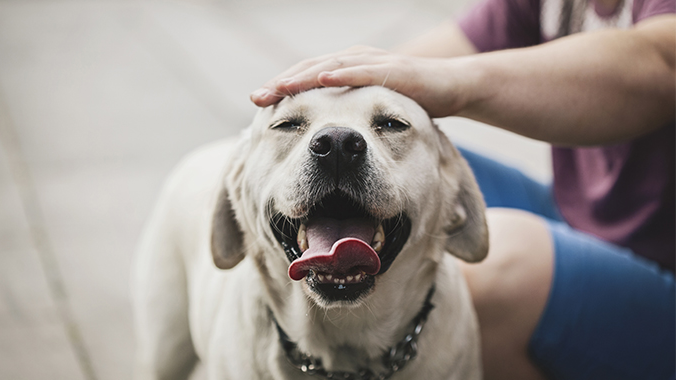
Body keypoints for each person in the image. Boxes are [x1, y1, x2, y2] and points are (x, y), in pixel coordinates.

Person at [249, 0, 675, 378]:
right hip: (577, 212)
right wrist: (294, 128)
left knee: (498, 267)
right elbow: (401, 72)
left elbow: (663, 60)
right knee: (413, 156)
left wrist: (456, 83)